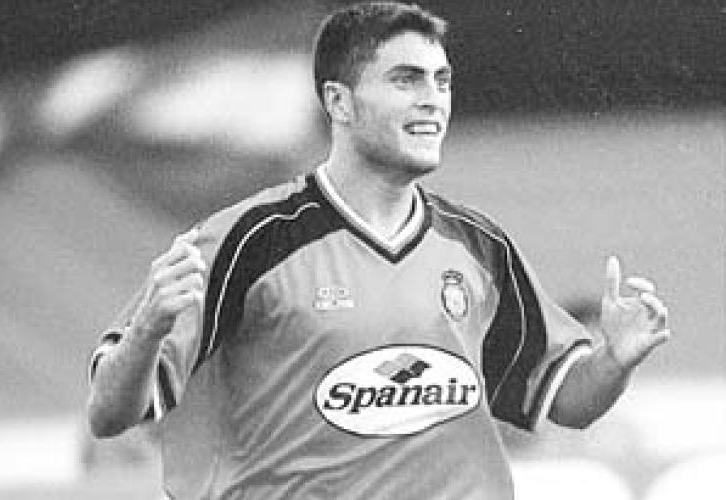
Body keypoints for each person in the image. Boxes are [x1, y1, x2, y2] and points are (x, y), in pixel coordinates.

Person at [86, 2, 671, 499]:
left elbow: (567, 400)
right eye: (406, 80)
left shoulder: (478, 245)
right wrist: (149, 329)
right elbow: (109, 414)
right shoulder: (248, 240)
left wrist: (614, 361)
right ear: (339, 103)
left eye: (442, 81)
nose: (433, 100)